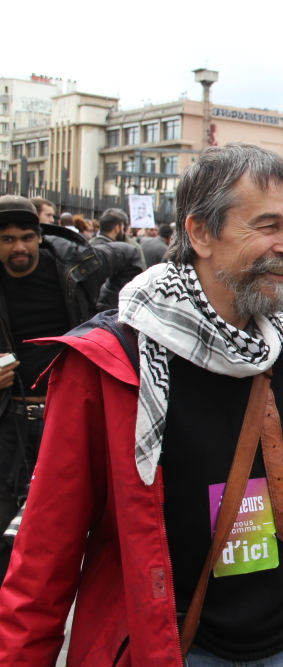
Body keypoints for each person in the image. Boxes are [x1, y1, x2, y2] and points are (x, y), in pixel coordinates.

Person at [0, 143, 283, 665]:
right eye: (268, 226)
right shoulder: (111, 362)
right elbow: (45, 551)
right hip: (163, 647)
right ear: (199, 233)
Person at [0, 196, 143, 584]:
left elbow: (130, 255)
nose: (19, 248)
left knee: (65, 522)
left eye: (27, 237)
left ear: (40, 236)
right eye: (7, 239)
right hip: (11, 420)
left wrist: (109, 321)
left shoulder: (74, 264)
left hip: (66, 417)